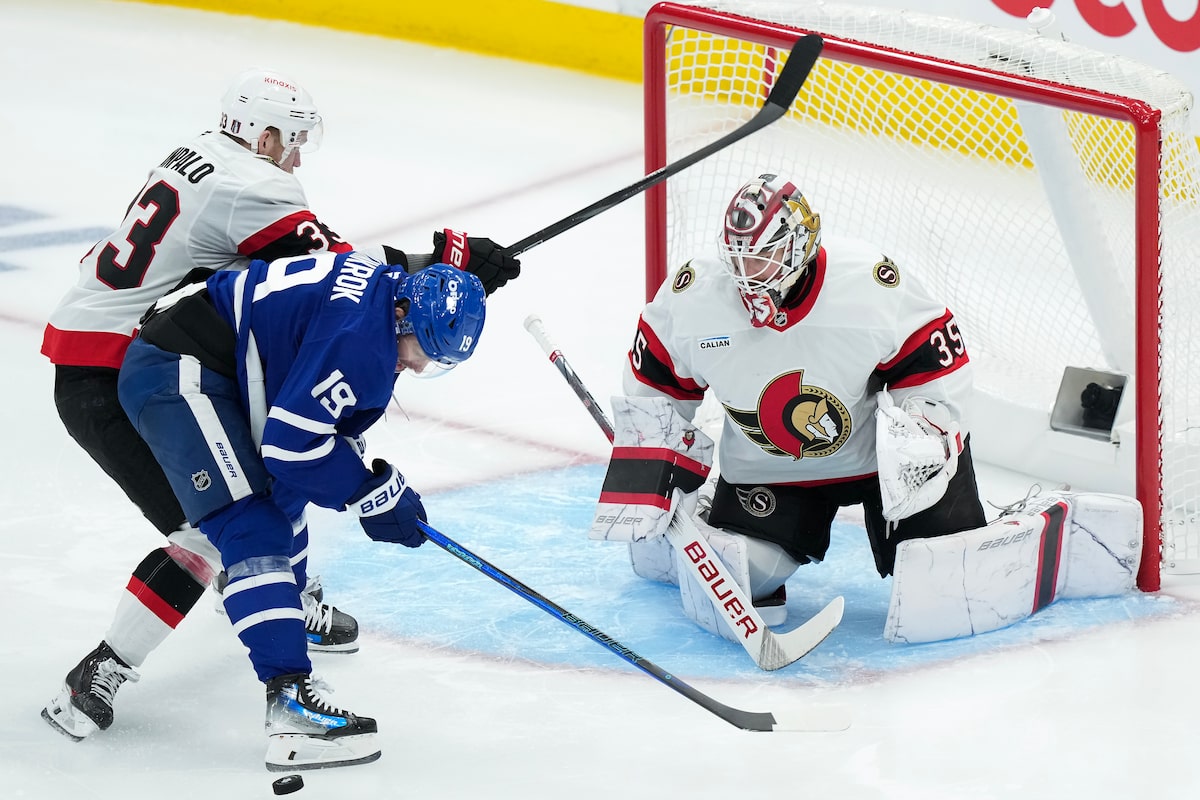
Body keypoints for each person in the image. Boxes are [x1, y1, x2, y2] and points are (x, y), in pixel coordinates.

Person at [40, 67, 519, 742]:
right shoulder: (257, 184)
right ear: (262, 137)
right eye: (291, 142)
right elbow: (342, 272)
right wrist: (445, 260)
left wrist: (441, 267)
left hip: (119, 344)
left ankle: (279, 600)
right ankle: (103, 671)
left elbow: (321, 276)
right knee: (220, 528)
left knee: (256, 500)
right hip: (120, 367)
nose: (296, 158)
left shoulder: (204, 157)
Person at [115, 249, 486, 770]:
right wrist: (367, 491)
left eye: (437, 363)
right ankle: (289, 702)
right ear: (403, 312)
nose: (419, 364)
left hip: (216, 365)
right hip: (178, 372)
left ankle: (288, 605)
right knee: (251, 522)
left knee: (281, 494)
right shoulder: (361, 339)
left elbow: (309, 436)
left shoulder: (384, 304)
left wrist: (367, 484)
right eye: (420, 348)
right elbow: (291, 447)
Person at [588, 172, 988, 642]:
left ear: (800, 245)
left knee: (945, 582)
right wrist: (653, 467)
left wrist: (924, 431)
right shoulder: (694, 297)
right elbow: (656, 389)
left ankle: (999, 525)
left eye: (761, 258)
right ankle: (721, 516)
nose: (746, 275)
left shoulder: (868, 284)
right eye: (737, 258)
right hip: (771, 473)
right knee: (735, 581)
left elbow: (935, 365)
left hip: (883, 469)